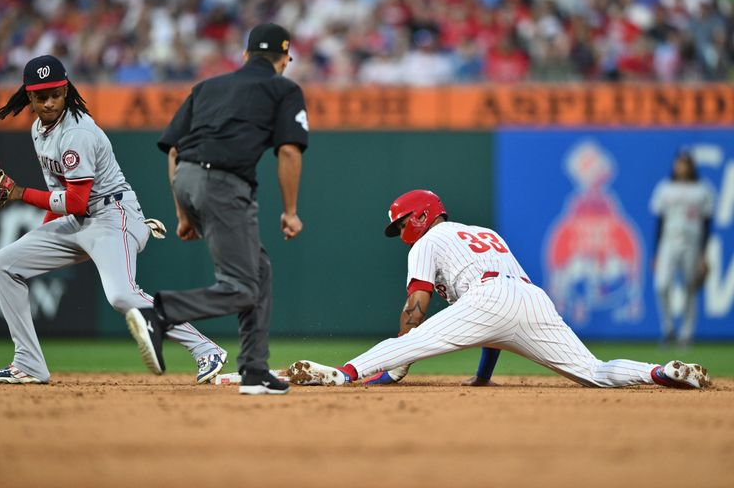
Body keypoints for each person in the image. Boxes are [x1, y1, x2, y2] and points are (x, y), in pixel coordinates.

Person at [288, 190, 711, 390]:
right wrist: (482, 379)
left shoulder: (428, 241)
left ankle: (342, 374)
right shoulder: (484, 232)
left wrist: (401, 361)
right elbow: (494, 326)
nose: (401, 231)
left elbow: (416, 307)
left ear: (420, 217)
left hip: (490, 298)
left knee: (414, 338)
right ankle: (658, 372)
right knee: (593, 372)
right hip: (532, 298)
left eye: (401, 223)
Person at [0, 54, 227, 385]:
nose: (49, 102)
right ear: (29, 96)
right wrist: (40, 241)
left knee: (121, 296)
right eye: (41, 96)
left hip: (112, 216)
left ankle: (206, 349)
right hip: (78, 223)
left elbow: (78, 201)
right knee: (4, 263)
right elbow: (62, 196)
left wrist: (18, 192)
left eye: (55, 93)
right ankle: (28, 363)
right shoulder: (39, 129)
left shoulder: (76, 133)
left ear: (66, 90)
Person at [125, 23, 308, 396]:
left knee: (259, 270)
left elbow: (174, 150)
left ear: (244, 56)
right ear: (285, 59)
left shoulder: (208, 86)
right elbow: (289, 150)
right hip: (224, 184)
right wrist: (290, 211)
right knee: (241, 289)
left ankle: (254, 370)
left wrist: (182, 213)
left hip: (187, 179)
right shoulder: (283, 88)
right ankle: (160, 312)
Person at [650, 151, 716, 348]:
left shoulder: (702, 189)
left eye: (685, 163)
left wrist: (704, 254)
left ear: (691, 166)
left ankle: (686, 334)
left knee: (690, 286)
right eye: (679, 163)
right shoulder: (665, 188)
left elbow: (706, 223)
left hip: (692, 243)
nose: (682, 167)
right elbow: (659, 221)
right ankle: (668, 329)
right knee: (661, 285)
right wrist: (656, 253)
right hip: (669, 241)